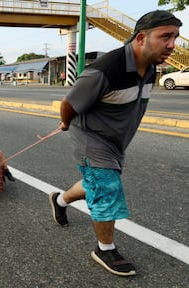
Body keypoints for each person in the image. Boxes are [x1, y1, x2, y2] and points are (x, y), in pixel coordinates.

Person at [48, 10, 182, 277]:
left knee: (93, 183)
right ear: (141, 38)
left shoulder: (151, 67)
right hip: (92, 138)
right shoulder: (105, 70)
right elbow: (68, 104)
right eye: (165, 36)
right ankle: (105, 248)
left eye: (175, 37)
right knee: (107, 188)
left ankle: (60, 200)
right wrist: (65, 123)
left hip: (116, 141)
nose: (172, 45)